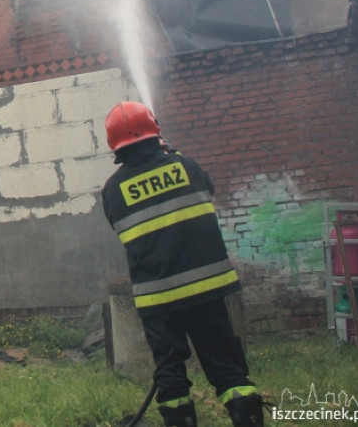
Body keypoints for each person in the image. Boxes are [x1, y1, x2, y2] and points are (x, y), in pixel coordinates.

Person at [100, 101, 263, 427]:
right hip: (207, 289)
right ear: (153, 132)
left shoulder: (113, 190)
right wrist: (172, 156)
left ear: (115, 145)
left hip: (158, 299)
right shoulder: (187, 166)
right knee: (227, 367)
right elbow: (207, 191)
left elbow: (123, 227)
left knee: (170, 374)